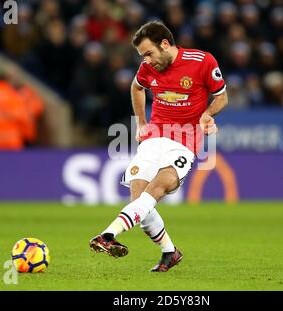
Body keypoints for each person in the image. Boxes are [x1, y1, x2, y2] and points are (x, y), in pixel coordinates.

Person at [89, 21, 228, 272]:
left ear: (165, 44)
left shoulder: (202, 61)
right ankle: (170, 252)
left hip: (184, 141)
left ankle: (107, 235)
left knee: (157, 189)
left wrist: (207, 114)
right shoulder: (147, 67)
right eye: (143, 56)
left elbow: (222, 97)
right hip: (154, 138)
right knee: (139, 199)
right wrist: (142, 122)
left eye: (149, 53)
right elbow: (136, 87)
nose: (147, 61)